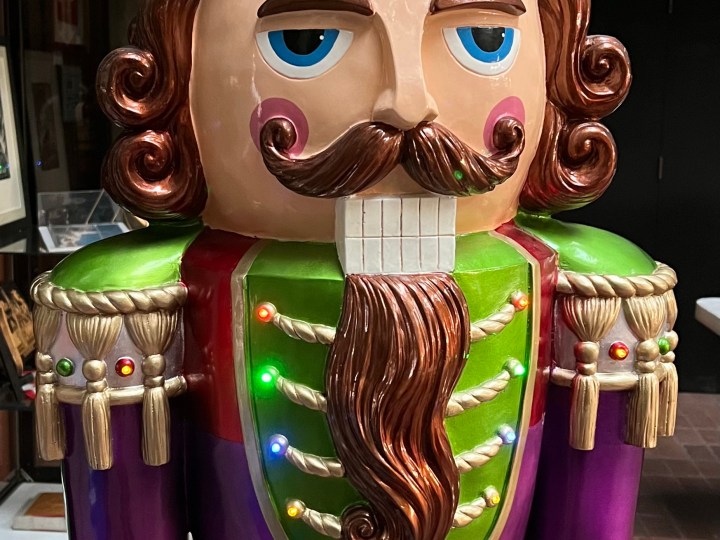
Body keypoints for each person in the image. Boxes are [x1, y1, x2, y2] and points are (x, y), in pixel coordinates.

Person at [32, 1, 679, 539]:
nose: (410, 105)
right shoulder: (134, 300)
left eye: (483, 39)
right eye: (306, 40)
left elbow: (589, 512)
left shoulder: (597, 290)